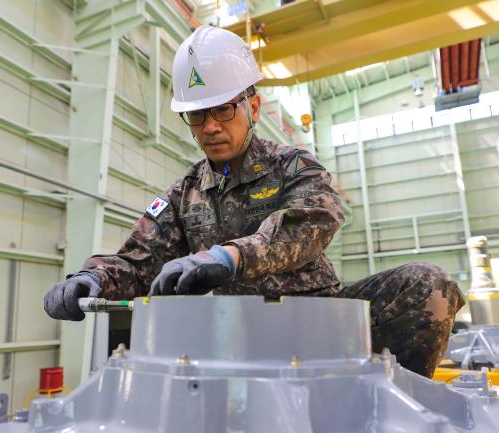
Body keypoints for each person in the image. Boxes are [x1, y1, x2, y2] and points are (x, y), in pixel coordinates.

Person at [44, 25, 464, 378]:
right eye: (197, 115)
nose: (210, 127)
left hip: (320, 320)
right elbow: (139, 259)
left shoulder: (293, 166)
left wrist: (231, 257)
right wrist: (93, 278)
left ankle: (389, 404)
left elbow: (313, 222)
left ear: (254, 106)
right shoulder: (183, 193)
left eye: (224, 110)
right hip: (235, 335)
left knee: (429, 285)